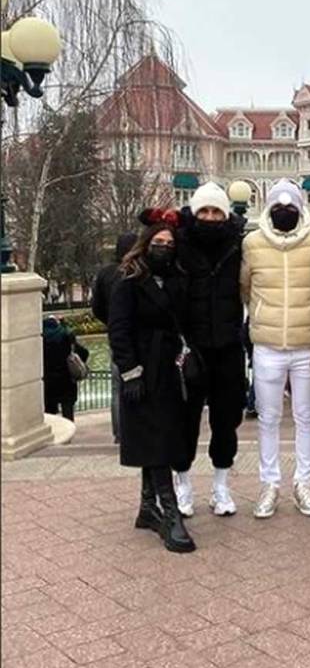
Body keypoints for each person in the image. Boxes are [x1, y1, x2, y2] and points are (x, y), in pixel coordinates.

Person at [107, 209, 195, 554]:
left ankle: (147, 506)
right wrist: (130, 372)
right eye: (158, 242)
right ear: (146, 244)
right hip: (142, 370)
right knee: (156, 439)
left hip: (169, 369)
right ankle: (170, 512)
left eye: (169, 243)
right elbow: (118, 329)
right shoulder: (128, 278)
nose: (164, 247)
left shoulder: (176, 278)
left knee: (160, 435)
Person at [240, 179, 310, 519]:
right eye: (278, 207)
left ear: (302, 209)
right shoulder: (252, 243)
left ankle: (304, 484)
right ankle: (269, 484)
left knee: (306, 418)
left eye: (291, 208)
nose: (285, 212)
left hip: (308, 344)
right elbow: (246, 289)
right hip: (268, 347)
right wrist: (262, 317)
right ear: (268, 209)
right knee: (269, 419)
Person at [172, 182, 247, 518]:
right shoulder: (178, 243)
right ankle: (183, 485)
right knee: (185, 421)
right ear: (195, 211)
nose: (211, 217)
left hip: (227, 345)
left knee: (225, 421)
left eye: (217, 211)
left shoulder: (238, 243)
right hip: (191, 348)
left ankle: (221, 487)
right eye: (205, 211)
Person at [91, 232, 138, 442]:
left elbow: (97, 307)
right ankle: (135, 429)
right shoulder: (137, 272)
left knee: (117, 387)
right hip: (137, 334)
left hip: (116, 336)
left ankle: (119, 432)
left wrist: (111, 323)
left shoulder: (105, 274)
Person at [41, 316, 89, 422]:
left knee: (49, 414)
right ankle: (69, 436)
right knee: (68, 413)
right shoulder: (66, 335)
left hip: (48, 383)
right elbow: (84, 353)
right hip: (66, 380)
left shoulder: (40, 338)